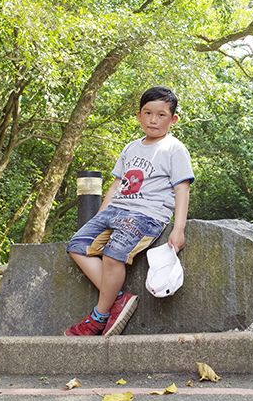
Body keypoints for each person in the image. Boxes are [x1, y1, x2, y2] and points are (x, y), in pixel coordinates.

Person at [64, 86, 194, 337]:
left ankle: (98, 317)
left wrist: (178, 230)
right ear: (138, 116)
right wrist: (100, 216)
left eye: (161, 115)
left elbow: (182, 189)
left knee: (113, 255)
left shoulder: (174, 149)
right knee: (78, 245)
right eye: (147, 113)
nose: (153, 120)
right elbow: (116, 185)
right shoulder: (131, 148)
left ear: (173, 119)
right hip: (115, 211)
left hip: (146, 216)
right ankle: (117, 298)